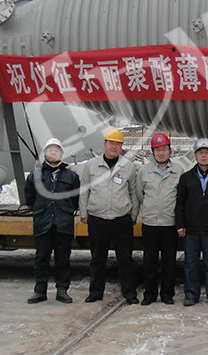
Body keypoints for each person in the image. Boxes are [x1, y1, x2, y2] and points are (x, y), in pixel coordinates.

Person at [79, 127, 140, 304]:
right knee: (97, 258)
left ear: (122, 147)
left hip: (121, 219)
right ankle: (95, 292)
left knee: (125, 259)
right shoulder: (91, 165)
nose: (114, 147)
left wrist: (133, 216)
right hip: (97, 219)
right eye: (111, 143)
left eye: (118, 144)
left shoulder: (128, 166)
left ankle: (129, 293)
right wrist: (84, 213)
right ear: (104, 144)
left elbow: (133, 193)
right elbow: (84, 191)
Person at [24, 138, 80, 304]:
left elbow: (75, 199)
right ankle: (40, 291)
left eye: (56, 150)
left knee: (63, 259)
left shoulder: (71, 176)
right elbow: (29, 197)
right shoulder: (35, 175)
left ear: (61, 154)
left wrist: (65, 211)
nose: (53, 153)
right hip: (43, 223)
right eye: (50, 150)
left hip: (63, 224)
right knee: (41, 258)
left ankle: (62, 290)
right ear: (45, 153)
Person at [175, 138, 208, 307]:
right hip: (191, 230)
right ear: (195, 155)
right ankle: (191, 295)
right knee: (190, 265)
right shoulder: (186, 178)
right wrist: (180, 225)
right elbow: (180, 203)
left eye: (207, 153)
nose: (204, 156)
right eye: (200, 153)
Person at [135, 132, 183, 306]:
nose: (161, 153)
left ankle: (167, 294)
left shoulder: (178, 171)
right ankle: (150, 294)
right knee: (150, 261)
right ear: (152, 152)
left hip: (170, 223)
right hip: (150, 223)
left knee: (169, 261)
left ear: (170, 150)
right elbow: (140, 195)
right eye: (157, 149)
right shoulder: (144, 171)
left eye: (164, 149)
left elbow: (181, 198)